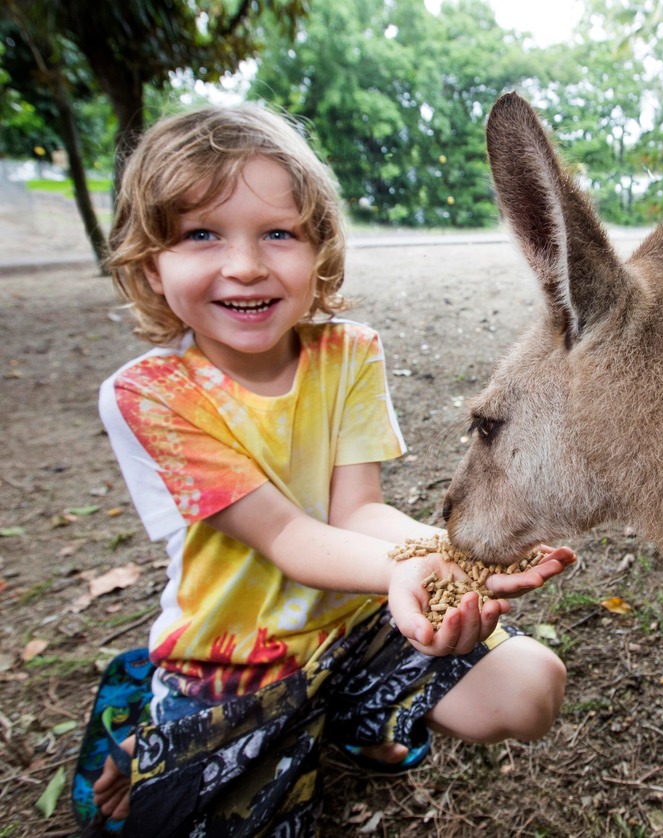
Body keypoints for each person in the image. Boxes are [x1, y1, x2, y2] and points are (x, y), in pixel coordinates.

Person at [81, 103, 574, 835]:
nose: (245, 265)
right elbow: (285, 536)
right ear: (151, 264)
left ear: (320, 249)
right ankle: (143, 725)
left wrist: (455, 557)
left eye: (278, 233)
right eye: (201, 234)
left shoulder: (348, 351)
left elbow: (356, 512)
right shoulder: (148, 395)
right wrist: (414, 571)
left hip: (353, 617)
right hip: (233, 663)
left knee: (531, 688)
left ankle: (341, 717)